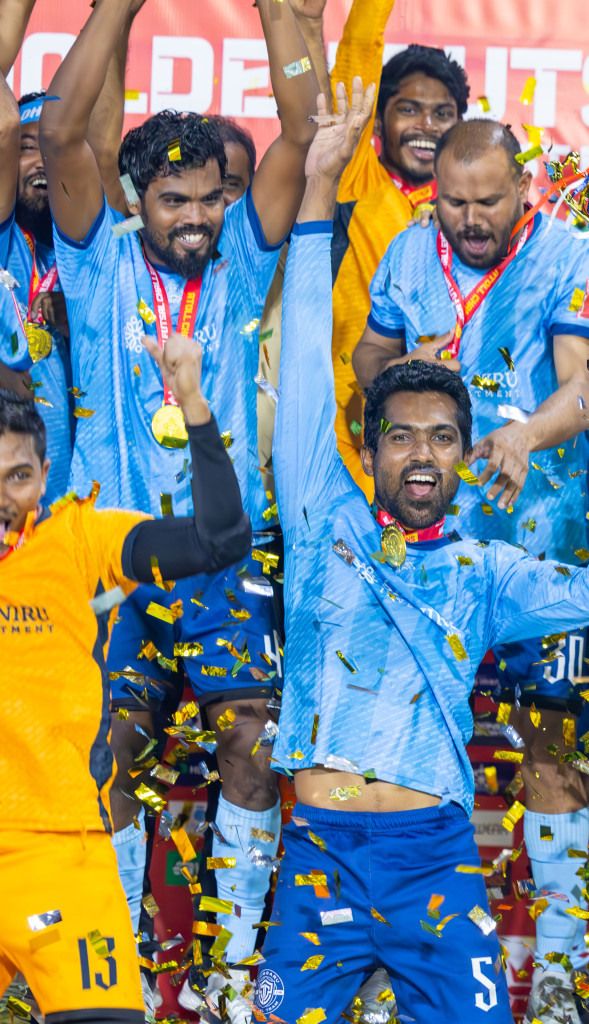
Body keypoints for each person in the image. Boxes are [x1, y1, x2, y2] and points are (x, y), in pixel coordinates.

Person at [255, 78, 589, 1024]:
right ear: (368, 444)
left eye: (440, 437)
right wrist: (316, 188)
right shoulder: (319, 519)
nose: (419, 454)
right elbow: (306, 350)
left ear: (466, 453)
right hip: (319, 859)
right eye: (399, 436)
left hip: (434, 859)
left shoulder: (484, 570)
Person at [39, 0, 321, 1013]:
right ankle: (117, 955)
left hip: (227, 559)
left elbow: (302, 132)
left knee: (253, 740)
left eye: (207, 198)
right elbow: (60, 134)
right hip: (115, 563)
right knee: (105, 752)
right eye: (172, 199)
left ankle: (229, 974)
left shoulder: (245, 262)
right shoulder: (94, 255)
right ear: (136, 197)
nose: (194, 218)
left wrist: (272, 11)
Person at [350, 118, 589, 1018]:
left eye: (487, 202)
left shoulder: (573, 254)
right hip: (425, 553)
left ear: (523, 189)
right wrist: (388, 374)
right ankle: (391, 961)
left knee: (552, 744)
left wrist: (523, 435)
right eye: (453, 202)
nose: (467, 219)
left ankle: (561, 969)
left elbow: (587, 387)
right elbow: (370, 356)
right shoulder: (405, 249)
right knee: (406, 744)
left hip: (540, 538)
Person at [0, 322, 252, 1024]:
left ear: (45, 478)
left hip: (66, 853)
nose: (2, 498)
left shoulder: (78, 540)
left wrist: (193, 404)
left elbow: (221, 540)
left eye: (18, 476)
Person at [0, 0, 141, 507]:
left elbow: (101, 152)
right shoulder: (4, 243)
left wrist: (115, 16)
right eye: (26, 147)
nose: (41, 162)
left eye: (51, 148)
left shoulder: (105, 244)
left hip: (94, 512)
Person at [328, 11, 470, 489]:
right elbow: (359, 49)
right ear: (377, 118)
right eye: (408, 109)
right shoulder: (353, 179)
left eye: (443, 113)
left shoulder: (475, 220)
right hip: (347, 438)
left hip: (442, 451)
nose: (426, 126)